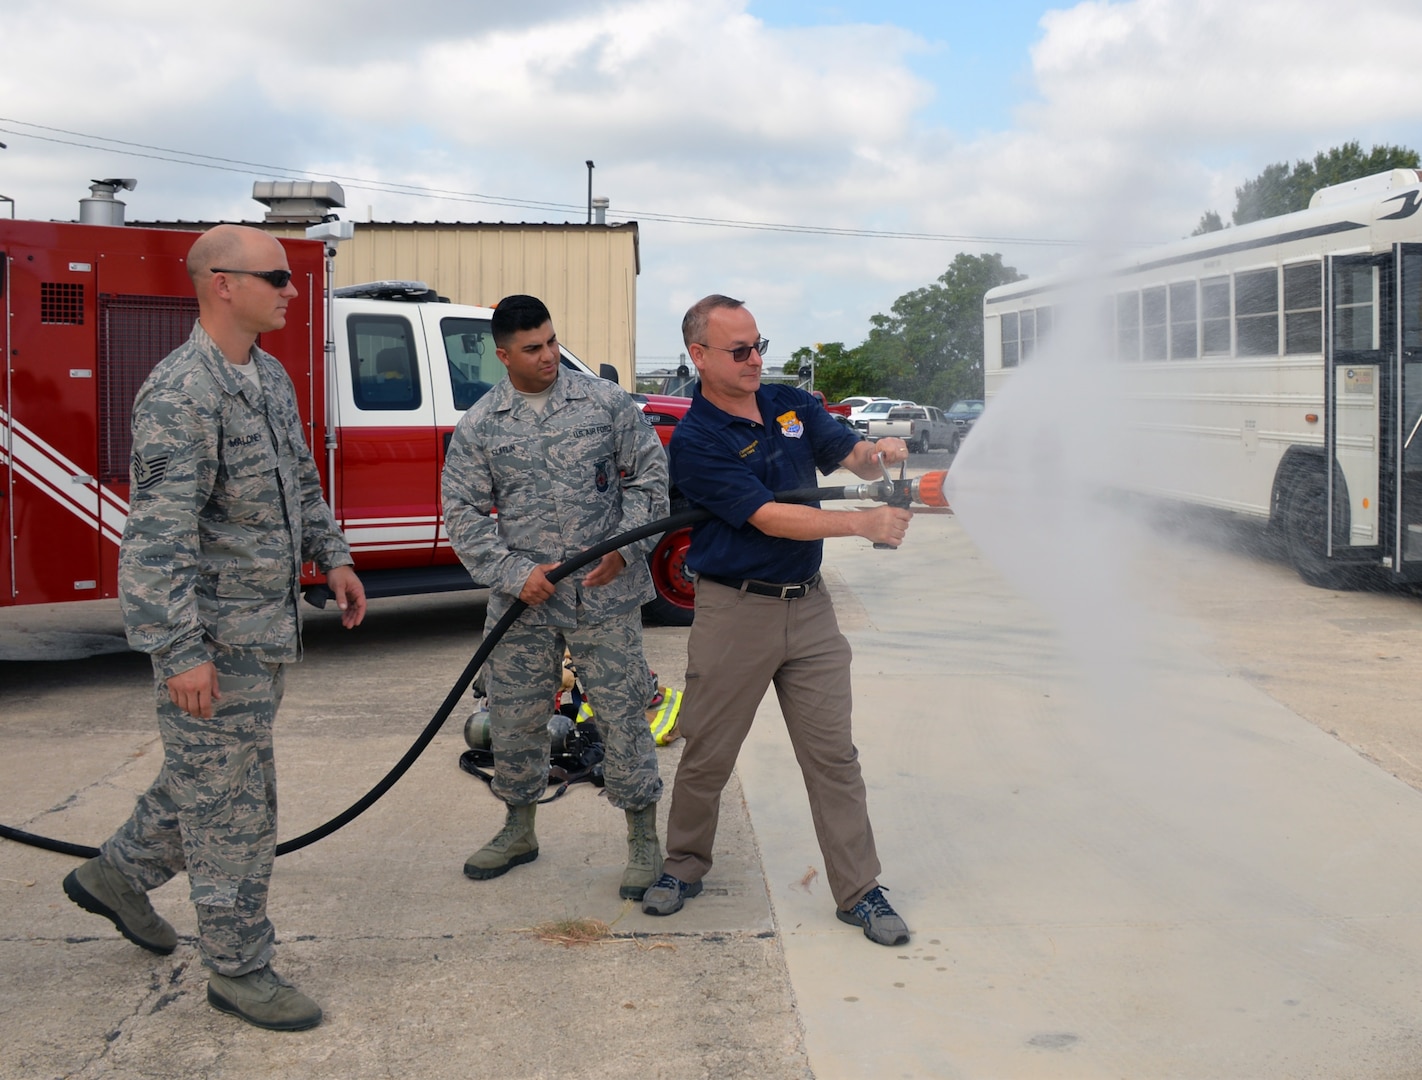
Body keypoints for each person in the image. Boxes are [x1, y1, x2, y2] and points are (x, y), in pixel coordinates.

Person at [62, 224, 367, 1030]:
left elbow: (299, 476)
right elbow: (155, 539)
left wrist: (331, 556)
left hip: (261, 636)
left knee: (207, 781)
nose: (291, 291)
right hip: (213, 645)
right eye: (277, 277)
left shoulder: (265, 378)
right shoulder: (180, 393)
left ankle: (116, 878)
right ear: (221, 283)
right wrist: (178, 654)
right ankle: (237, 969)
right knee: (236, 808)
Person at [642, 294, 914, 947]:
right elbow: (766, 515)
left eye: (759, 344)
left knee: (833, 757)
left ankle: (858, 891)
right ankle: (683, 867)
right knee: (708, 751)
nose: (755, 359)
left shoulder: (790, 404)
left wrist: (878, 455)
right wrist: (863, 524)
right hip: (736, 610)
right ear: (698, 356)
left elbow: (849, 453)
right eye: (739, 350)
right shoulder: (699, 441)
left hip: (809, 608)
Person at [442, 294, 669, 898]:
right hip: (526, 605)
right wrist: (514, 572)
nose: (547, 356)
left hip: (607, 597)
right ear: (502, 355)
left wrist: (626, 549)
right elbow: (461, 513)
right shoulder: (483, 423)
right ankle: (519, 829)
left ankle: (644, 838)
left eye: (550, 342)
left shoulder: (605, 402)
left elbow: (651, 479)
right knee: (515, 721)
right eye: (532, 348)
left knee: (622, 719)